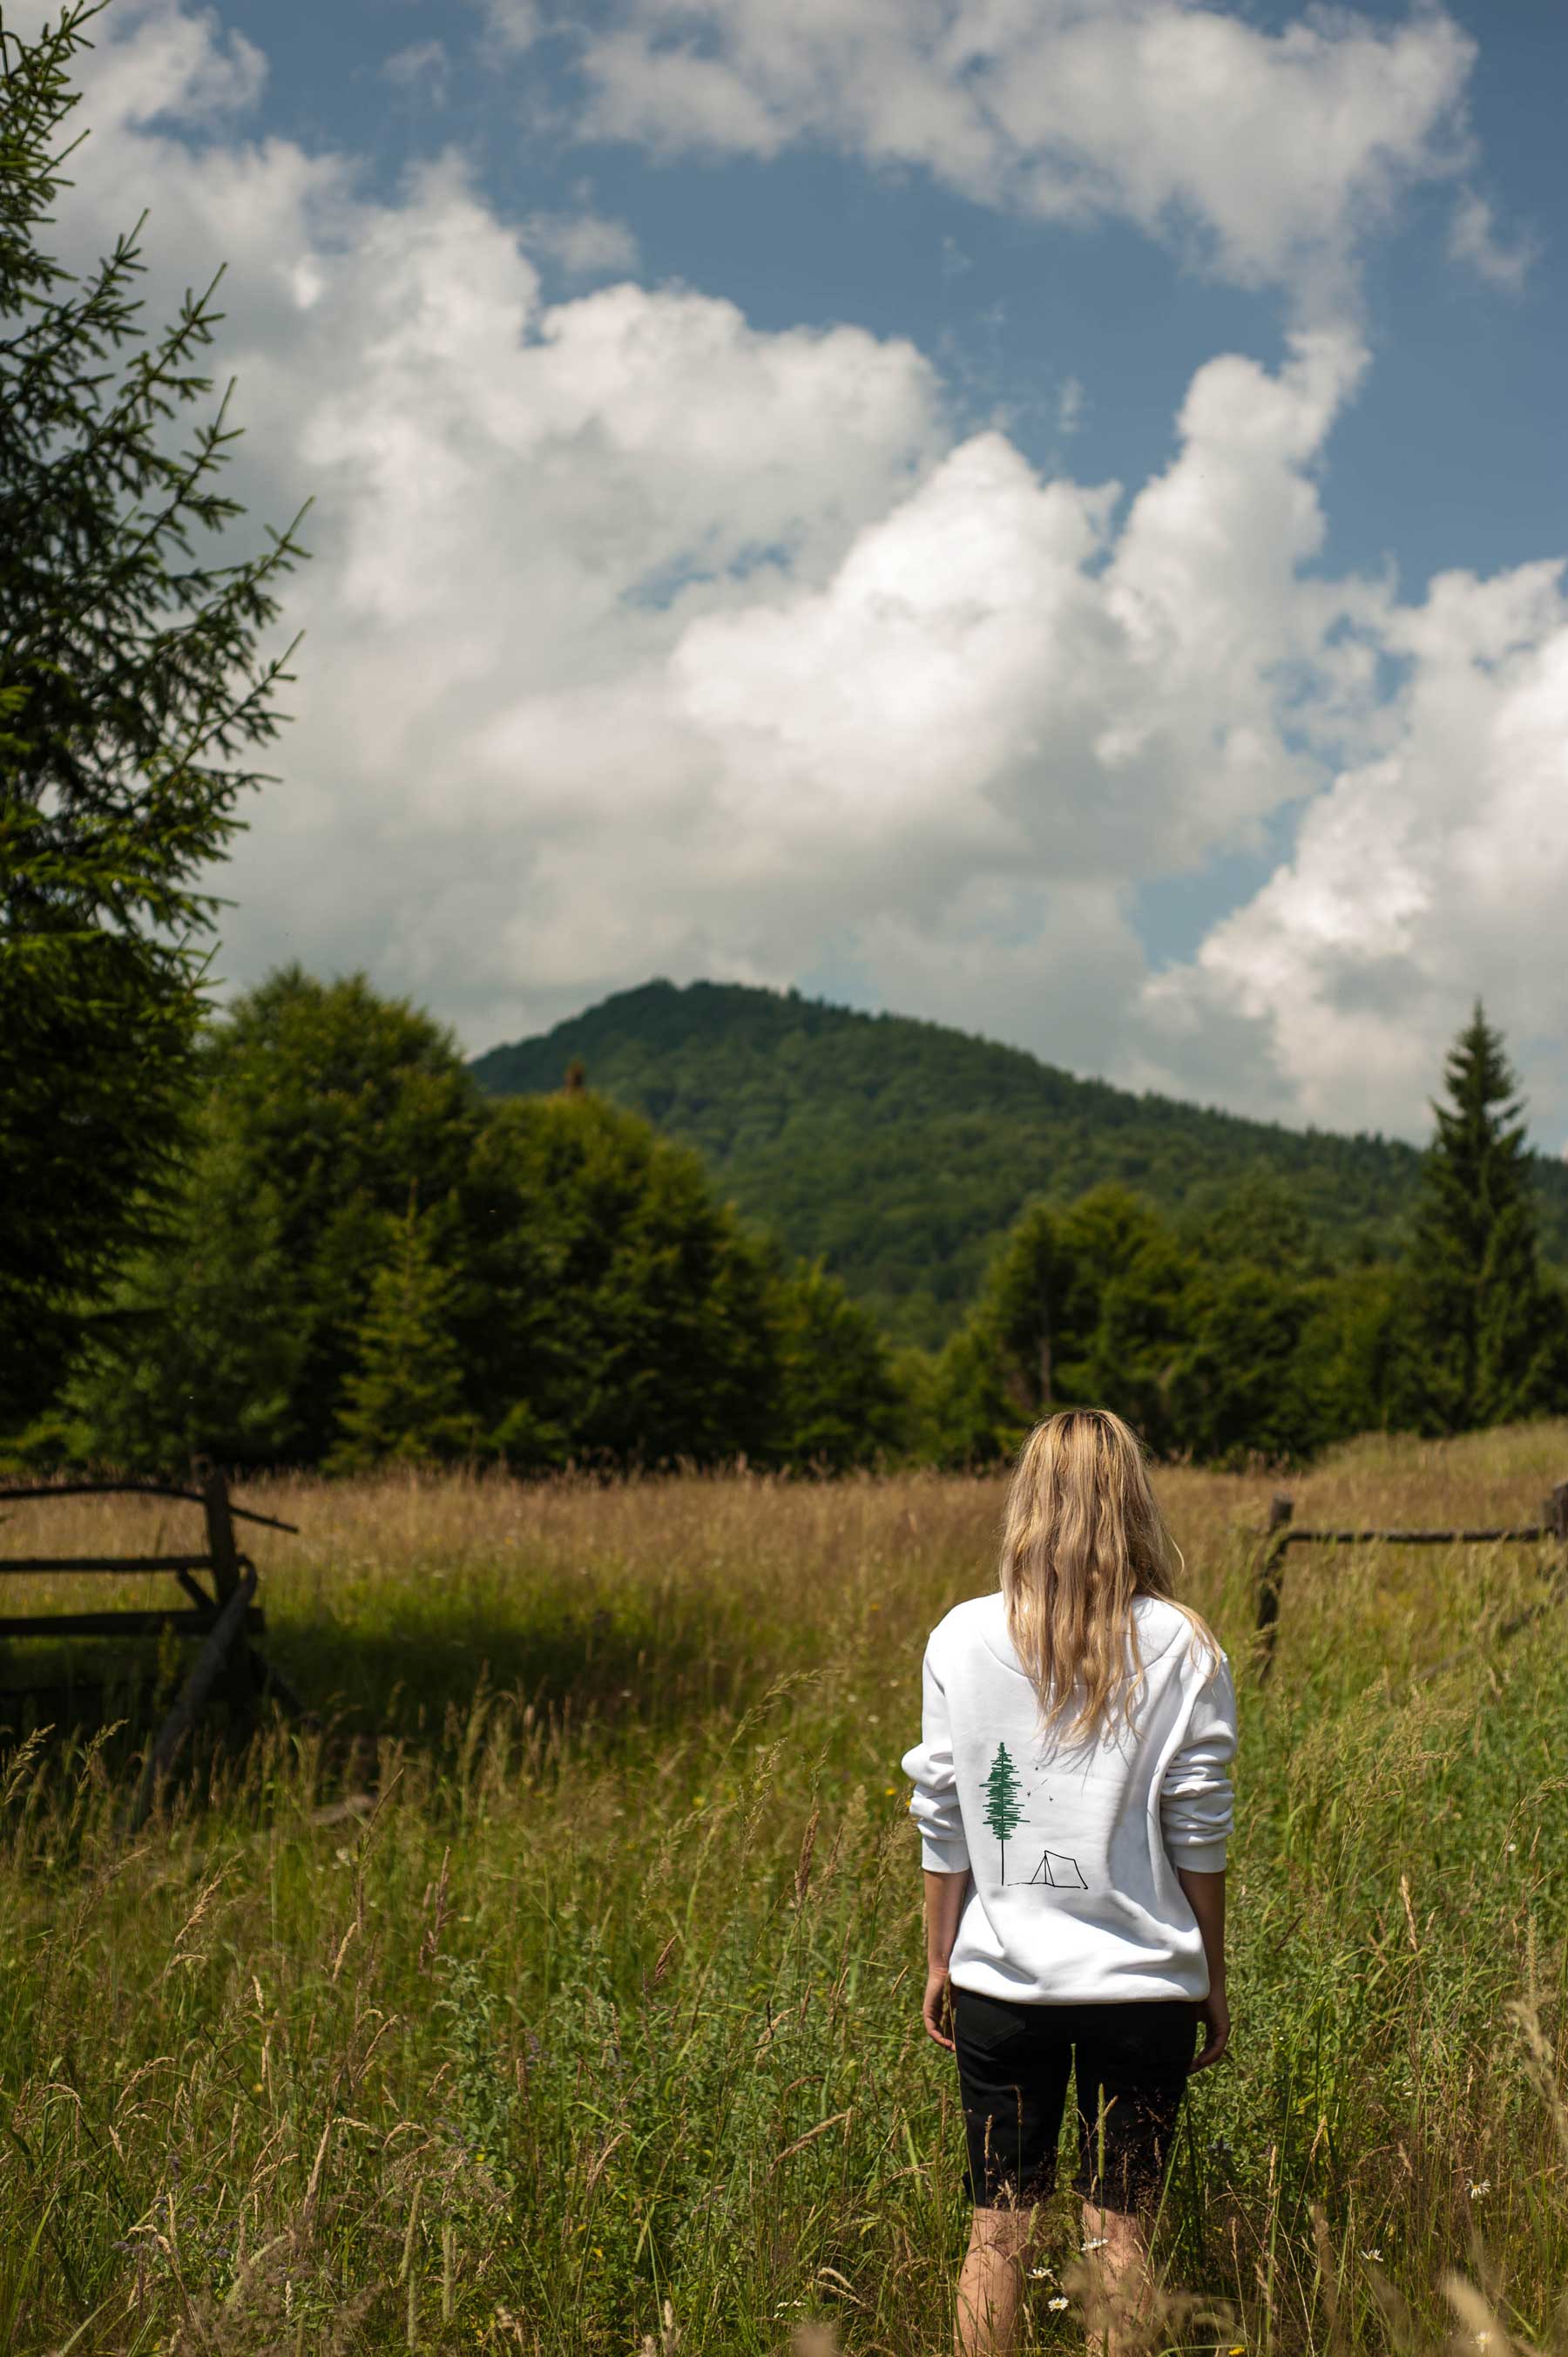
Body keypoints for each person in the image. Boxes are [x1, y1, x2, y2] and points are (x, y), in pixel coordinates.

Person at [901, 1407, 1238, 2357]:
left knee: (997, 2231)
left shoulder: (962, 1637)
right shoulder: (1182, 1642)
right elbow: (1199, 1826)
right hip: (1142, 1988)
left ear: (1026, 1502)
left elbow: (943, 1813)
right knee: (1119, 2232)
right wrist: (1209, 1971)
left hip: (1003, 1983)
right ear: (1131, 1501)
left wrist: (941, 1954)